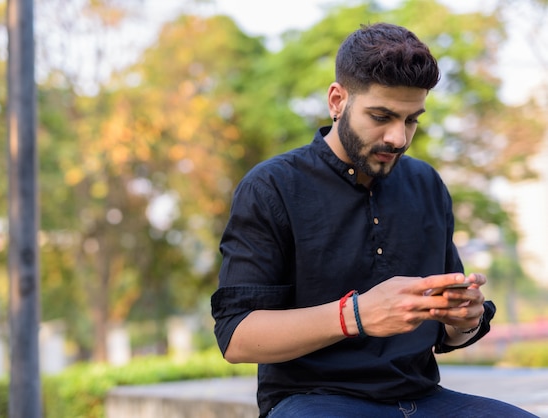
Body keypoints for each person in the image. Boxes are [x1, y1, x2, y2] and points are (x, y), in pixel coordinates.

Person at [211, 22, 537, 418]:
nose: (399, 137)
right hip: (315, 401)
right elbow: (236, 338)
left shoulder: (427, 184)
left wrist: (463, 319)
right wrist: (356, 315)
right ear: (337, 101)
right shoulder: (271, 187)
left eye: (412, 119)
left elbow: (448, 333)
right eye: (381, 116)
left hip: (424, 399)